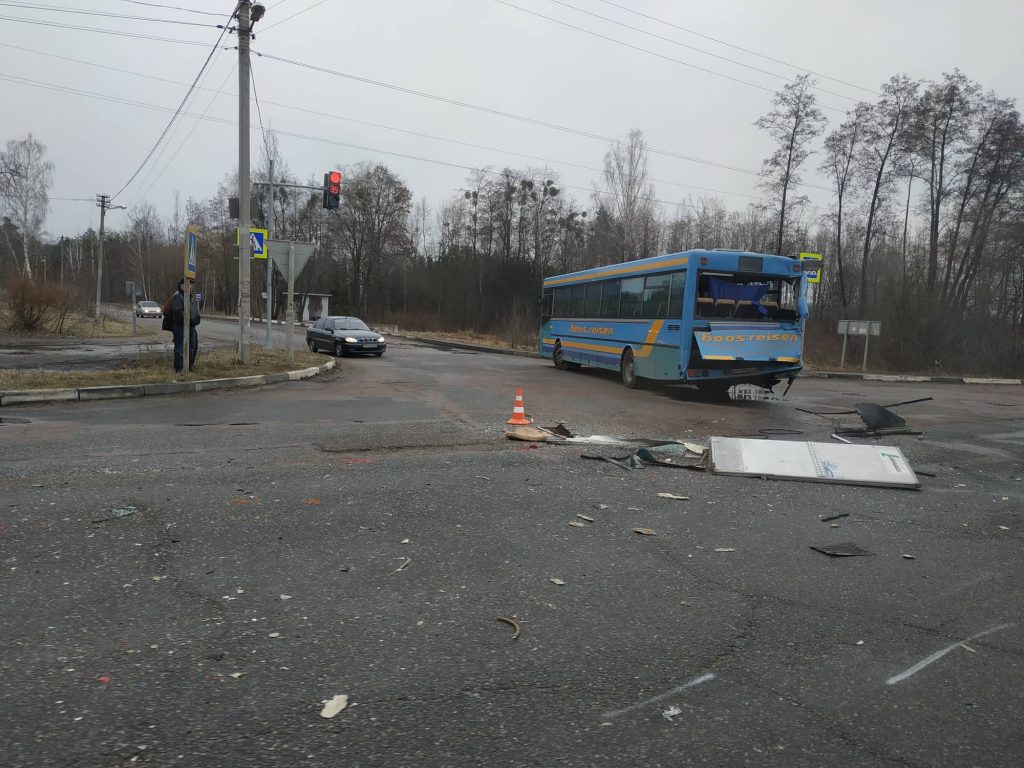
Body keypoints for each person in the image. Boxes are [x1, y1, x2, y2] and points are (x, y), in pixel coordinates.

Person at [164, 278, 201, 373]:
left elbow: (193, 311)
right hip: (180, 327)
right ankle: (180, 369)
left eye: (192, 285)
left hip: (191, 326)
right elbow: (178, 312)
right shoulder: (178, 297)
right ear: (183, 286)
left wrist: (195, 319)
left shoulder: (189, 297)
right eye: (190, 285)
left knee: (192, 346)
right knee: (180, 348)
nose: (192, 287)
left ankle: (189, 366)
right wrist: (189, 319)